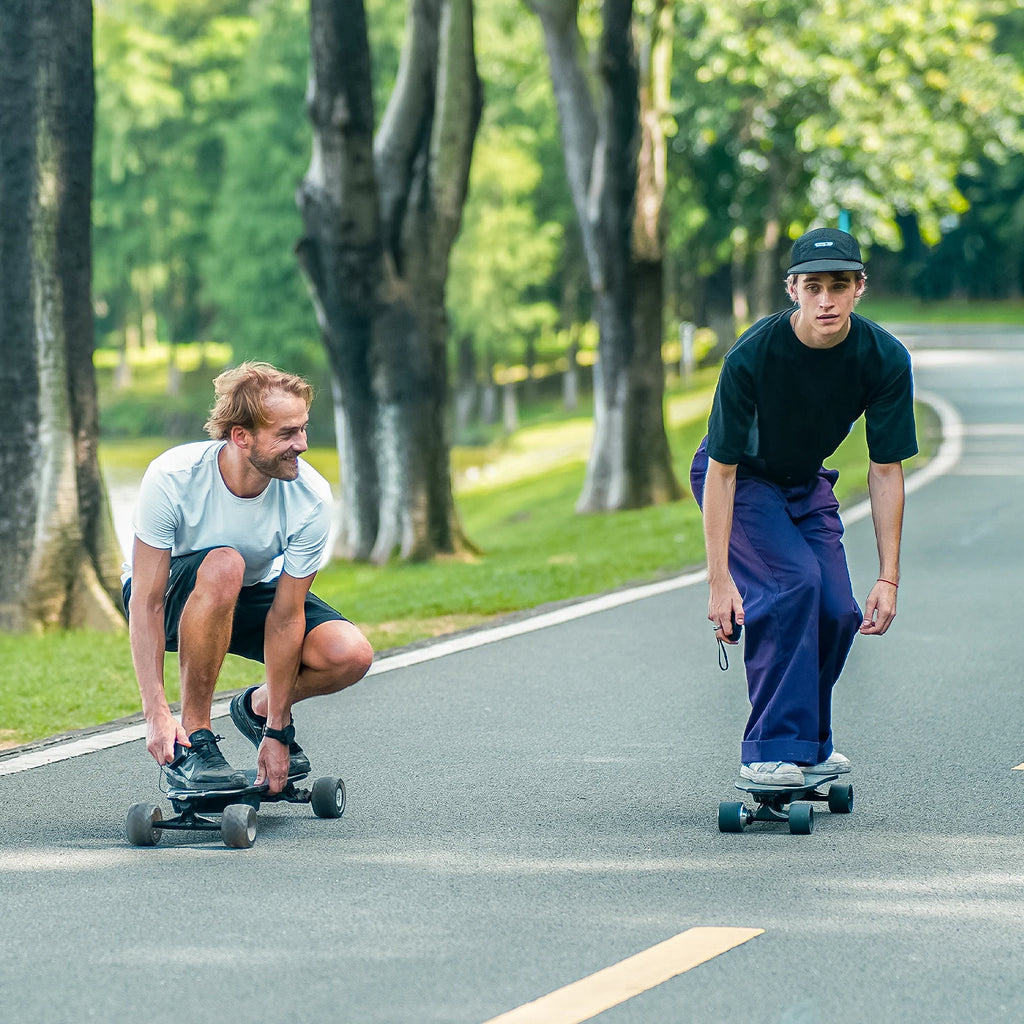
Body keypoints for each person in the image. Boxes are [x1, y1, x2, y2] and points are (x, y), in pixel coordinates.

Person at [690, 227, 918, 787]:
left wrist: (888, 578)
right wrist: (719, 581)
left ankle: (809, 744)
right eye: (813, 287)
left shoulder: (884, 359)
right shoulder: (752, 356)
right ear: (792, 290)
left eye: (838, 285)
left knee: (837, 609)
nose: (826, 300)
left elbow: (885, 469)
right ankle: (768, 749)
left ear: (859, 287)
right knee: (792, 585)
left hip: (804, 480)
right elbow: (721, 472)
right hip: (740, 480)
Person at [123, 362, 373, 795]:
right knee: (225, 563)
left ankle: (255, 708)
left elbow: (286, 616)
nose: (303, 444)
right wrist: (156, 713)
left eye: (304, 429)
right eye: (287, 433)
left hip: (247, 591)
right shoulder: (173, 476)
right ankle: (196, 740)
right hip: (168, 598)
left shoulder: (310, 498)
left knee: (349, 654)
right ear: (241, 436)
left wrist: (276, 728)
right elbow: (147, 600)